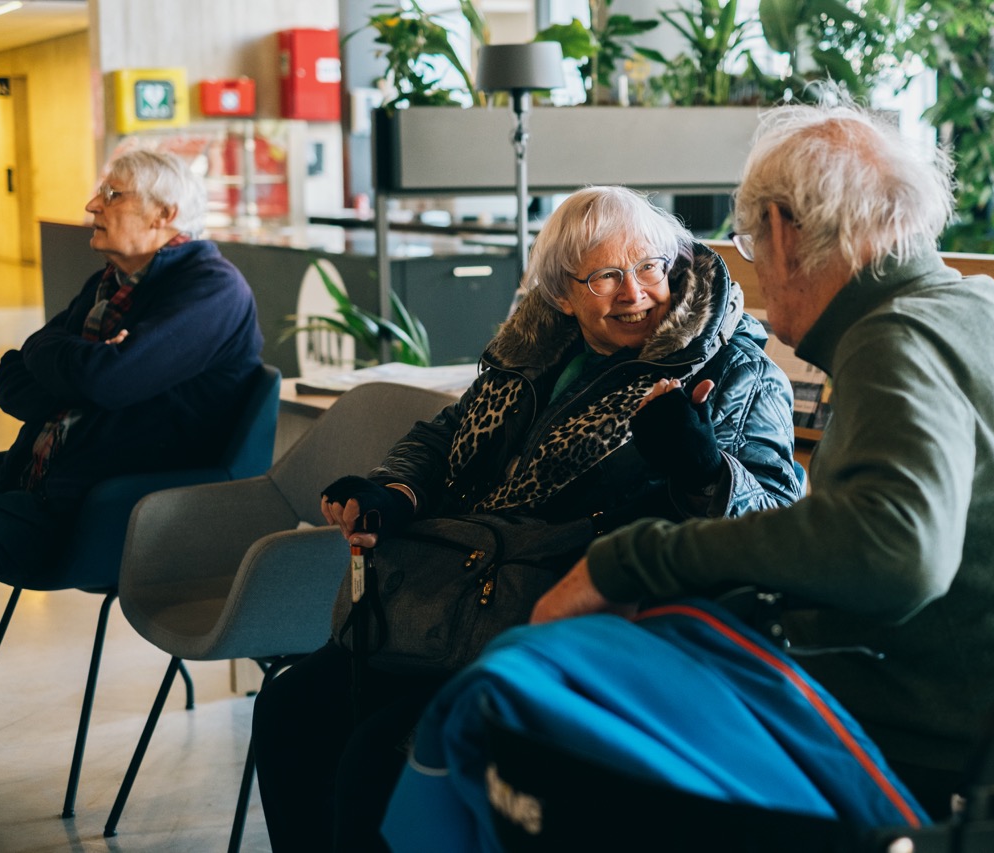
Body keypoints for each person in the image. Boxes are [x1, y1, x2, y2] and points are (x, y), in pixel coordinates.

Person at [532, 102, 994, 818]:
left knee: (599, 765)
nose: (757, 268)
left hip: (977, 764)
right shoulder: (978, 305)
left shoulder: (895, 338)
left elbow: (895, 554)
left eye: (753, 243)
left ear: (786, 234)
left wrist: (633, 558)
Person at [252, 185, 803, 853]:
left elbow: (773, 518)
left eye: (651, 265)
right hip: (452, 598)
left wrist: (701, 466)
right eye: (605, 275)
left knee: (378, 752)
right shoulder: (534, 356)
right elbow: (445, 434)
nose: (635, 291)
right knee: (288, 711)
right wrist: (394, 490)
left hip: (574, 622)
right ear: (563, 293)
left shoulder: (735, 368)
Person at [0, 149, 263, 584]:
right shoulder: (109, 282)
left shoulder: (212, 288)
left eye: (111, 194)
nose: (92, 204)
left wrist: (71, 364)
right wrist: (78, 363)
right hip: (37, 479)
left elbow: (105, 382)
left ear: (163, 213)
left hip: (102, 514)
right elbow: (11, 379)